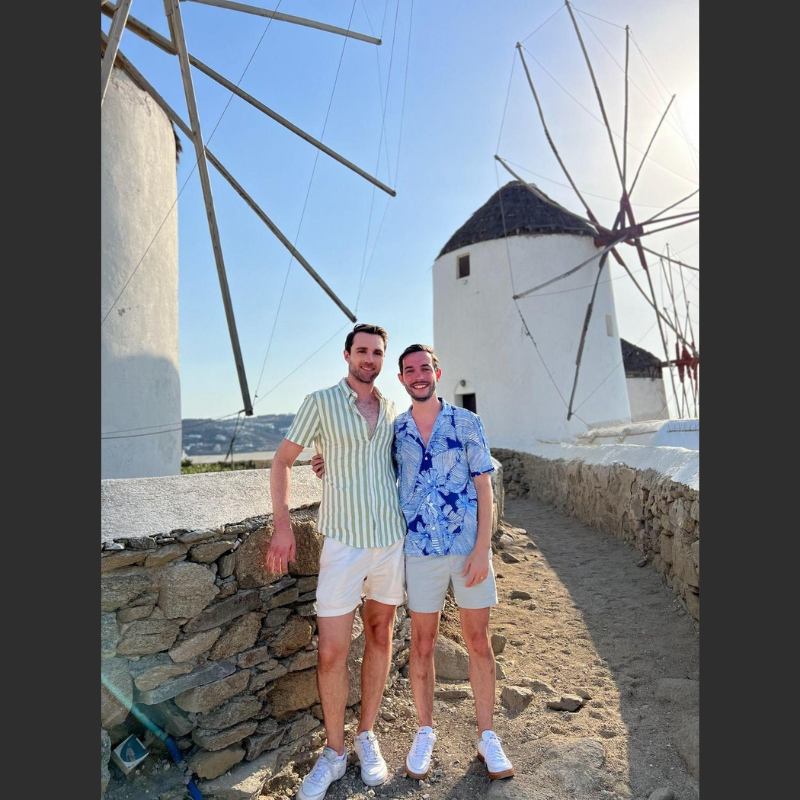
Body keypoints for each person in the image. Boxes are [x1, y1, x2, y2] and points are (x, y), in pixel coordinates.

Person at [313, 343, 515, 782]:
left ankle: (487, 736)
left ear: (437, 372)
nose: (418, 375)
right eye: (410, 370)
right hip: (419, 551)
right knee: (422, 644)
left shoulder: (467, 422)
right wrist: (329, 460)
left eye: (425, 368)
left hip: (467, 548)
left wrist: (482, 548)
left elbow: (484, 487)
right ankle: (425, 731)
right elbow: (367, 463)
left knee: (478, 642)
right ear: (401, 379)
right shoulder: (396, 429)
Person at [266, 323, 408, 800]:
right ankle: (333, 751)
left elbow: (391, 465)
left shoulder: (392, 408)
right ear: (347, 355)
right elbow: (282, 461)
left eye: (377, 352)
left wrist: (333, 462)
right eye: (362, 350)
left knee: (380, 636)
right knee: (331, 652)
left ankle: (366, 735)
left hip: (389, 539)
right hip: (343, 542)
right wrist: (283, 525)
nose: (369, 358)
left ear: (383, 359)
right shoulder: (320, 402)